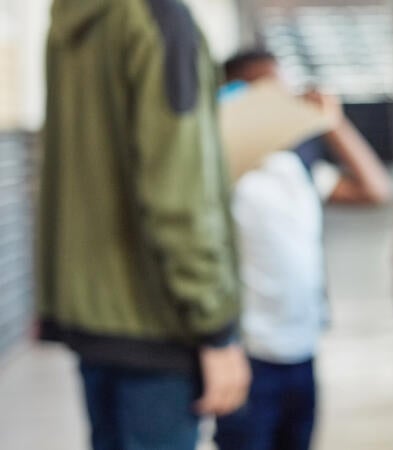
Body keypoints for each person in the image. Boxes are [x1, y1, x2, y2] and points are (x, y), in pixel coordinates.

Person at [37, 0, 250, 449]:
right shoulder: (159, 17)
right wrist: (215, 327)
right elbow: (178, 192)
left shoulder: (70, 18)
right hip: (158, 320)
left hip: (91, 315)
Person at [212, 49, 390, 450]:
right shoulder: (222, 173)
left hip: (302, 347)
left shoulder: (299, 165)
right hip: (249, 353)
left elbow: (374, 189)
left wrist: (333, 124)